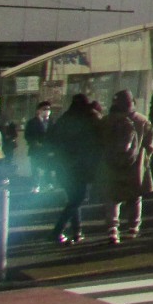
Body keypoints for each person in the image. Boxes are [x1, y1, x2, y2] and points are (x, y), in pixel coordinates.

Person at [100, 90, 153, 245]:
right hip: (135, 167)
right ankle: (133, 228)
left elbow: (99, 142)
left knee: (112, 197)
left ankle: (113, 229)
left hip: (111, 166)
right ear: (132, 103)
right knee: (135, 197)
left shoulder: (106, 121)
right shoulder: (142, 121)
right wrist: (145, 160)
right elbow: (150, 145)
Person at [49, 95, 103, 244]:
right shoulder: (87, 120)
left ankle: (77, 231)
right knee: (77, 198)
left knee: (74, 198)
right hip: (80, 166)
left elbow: (52, 139)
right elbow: (95, 140)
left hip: (62, 165)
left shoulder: (64, 119)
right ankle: (58, 231)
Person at [24, 100, 55, 194]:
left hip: (47, 149)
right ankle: (36, 185)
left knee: (48, 167)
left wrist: (53, 148)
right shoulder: (32, 122)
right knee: (35, 168)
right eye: (44, 109)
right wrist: (34, 142)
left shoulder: (52, 122)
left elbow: (55, 135)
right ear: (39, 110)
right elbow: (27, 135)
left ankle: (48, 184)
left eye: (48, 109)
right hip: (36, 149)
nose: (47, 111)